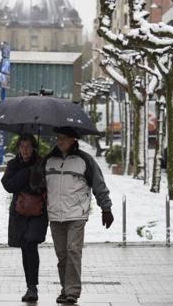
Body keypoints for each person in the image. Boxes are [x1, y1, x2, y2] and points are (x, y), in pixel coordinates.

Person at [45, 127, 113, 305]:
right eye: (58, 138)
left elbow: (99, 184)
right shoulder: (48, 160)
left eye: (64, 138)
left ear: (73, 140)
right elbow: (38, 185)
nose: (60, 141)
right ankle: (65, 288)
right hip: (55, 215)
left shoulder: (85, 160)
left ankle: (72, 292)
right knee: (62, 255)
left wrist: (106, 208)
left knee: (73, 251)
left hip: (76, 214)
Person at [1, 133, 48, 303]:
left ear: (33, 147)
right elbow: (8, 185)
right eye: (22, 146)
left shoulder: (42, 163)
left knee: (30, 244)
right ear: (18, 148)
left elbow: (44, 185)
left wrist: (34, 176)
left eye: (28, 146)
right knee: (24, 247)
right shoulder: (14, 164)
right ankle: (30, 286)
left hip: (38, 212)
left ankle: (32, 287)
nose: (25, 150)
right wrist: (26, 172)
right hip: (20, 213)